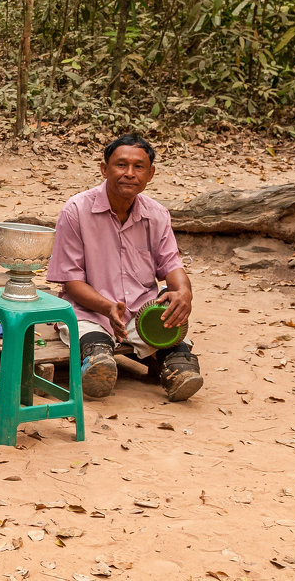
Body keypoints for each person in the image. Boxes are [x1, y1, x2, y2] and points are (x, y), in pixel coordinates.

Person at [47, 135, 203, 402]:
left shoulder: (157, 214)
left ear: (150, 173)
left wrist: (184, 293)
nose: (129, 174)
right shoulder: (76, 210)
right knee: (95, 343)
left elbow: (171, 265)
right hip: (90, 309)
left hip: (142, 310)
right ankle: (98, 361)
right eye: (121, 165)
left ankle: (178, 368)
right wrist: (107, 307)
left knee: (178, 351)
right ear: (104, 169)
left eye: (138, 167)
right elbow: (71, 282)